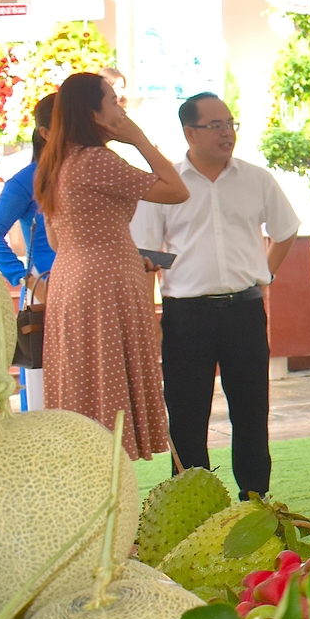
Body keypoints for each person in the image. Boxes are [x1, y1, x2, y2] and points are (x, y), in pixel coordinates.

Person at [132, 94, 300, 501]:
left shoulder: (256, 179)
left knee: (251, 414)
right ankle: (193, 508)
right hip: (185, 316)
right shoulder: (164, 186)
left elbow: (285, 229)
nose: (227, 133)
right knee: (187, 417)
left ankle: (256, 504)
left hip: (243, 310)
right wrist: (148, 320)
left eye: (230, 124)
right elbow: (145, 257)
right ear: (189, 132)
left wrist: (266, 274)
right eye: (215, 125)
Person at [38, 72, 190, 462]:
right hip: (103, 286)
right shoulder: (94, 160)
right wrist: (138, 139)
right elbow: (176, 190)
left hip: (73, 280)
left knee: (84, 386)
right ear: (93, 113)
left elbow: (57, 240)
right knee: (106, 391)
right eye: (112, 101)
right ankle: (111, 495)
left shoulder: (56, 162)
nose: (119, 110)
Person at [0, 94, 59, 410]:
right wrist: (26, 279)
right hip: (46, 289)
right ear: (45, 133)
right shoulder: (27, 180)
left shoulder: (89, 173)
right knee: (45, 393)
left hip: (88, 286)